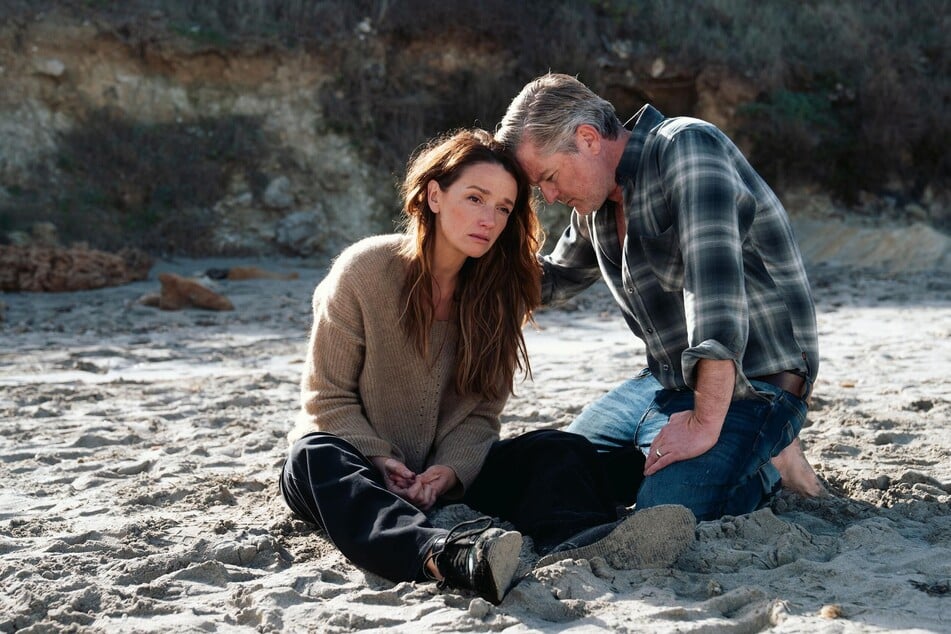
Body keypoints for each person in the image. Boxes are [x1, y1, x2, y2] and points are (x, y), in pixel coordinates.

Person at [279, 128, 695, 606]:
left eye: (502, 208)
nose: (489, 219)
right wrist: (378, 457)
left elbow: (480, 414)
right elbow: (326, 400)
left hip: (449, 482)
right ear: (434, 195)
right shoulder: (364, 271)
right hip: (360, 468)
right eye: (475, 198)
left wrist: (449, 472)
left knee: (560, 449)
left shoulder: (499, 295)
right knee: (313, 456)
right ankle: (444, 557)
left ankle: (583, 538)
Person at [495, 73, 825, 522]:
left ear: (588, 138)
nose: (549, 197)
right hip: (668, 382)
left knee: (664, 513)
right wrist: (459, 264)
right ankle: (729, 449)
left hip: (756, 383)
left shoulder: (687, 148)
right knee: (556, 473)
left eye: (549, 178)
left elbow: (717, 303)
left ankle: (769, 458)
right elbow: (554, 278)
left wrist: (704, 424)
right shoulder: (596, 202)